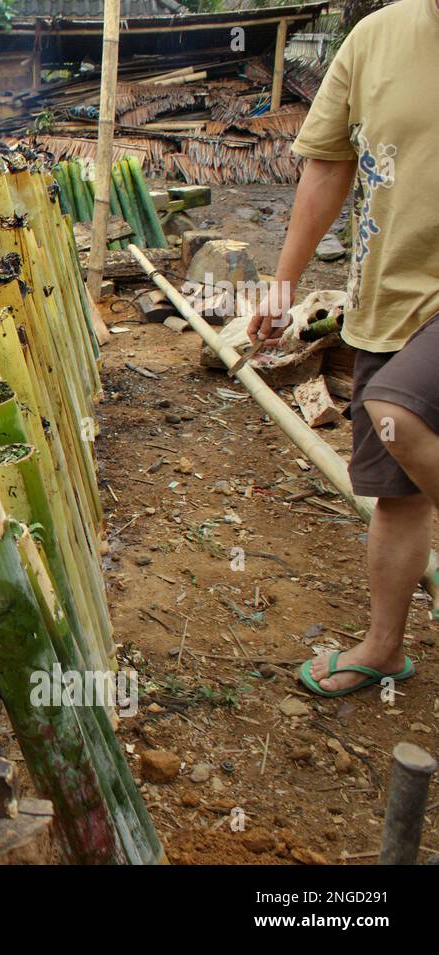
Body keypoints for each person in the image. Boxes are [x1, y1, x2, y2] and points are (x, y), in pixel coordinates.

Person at [249, 0, 438, 697]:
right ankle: (385, 648)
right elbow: (329, 165)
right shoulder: (375, 38)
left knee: (398, 408)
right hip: (385, 303)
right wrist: (282, 283)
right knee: (399, 492)